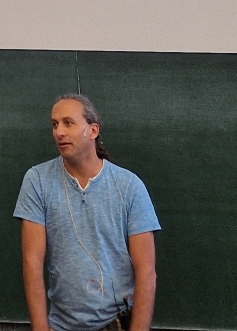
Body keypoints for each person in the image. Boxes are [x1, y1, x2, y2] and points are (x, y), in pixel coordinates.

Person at [13, 93, 159, 331]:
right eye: (54, 124)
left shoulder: (129, 186)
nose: (59, 132)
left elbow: (146, 272)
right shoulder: (37, 180)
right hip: (61, 325)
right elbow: (32, 263)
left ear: (93, 130)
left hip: (116, 322)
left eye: (68, 123)